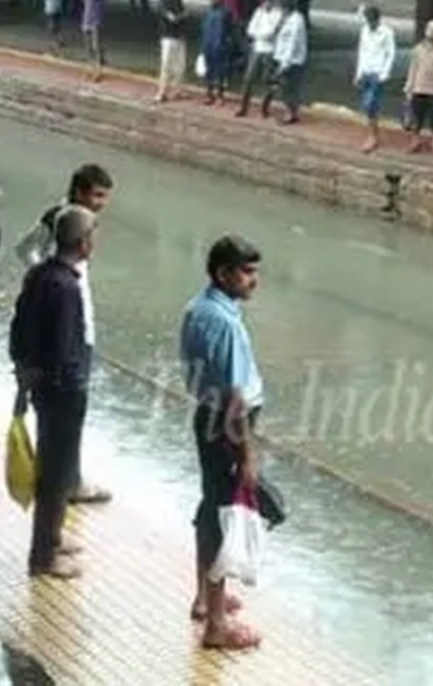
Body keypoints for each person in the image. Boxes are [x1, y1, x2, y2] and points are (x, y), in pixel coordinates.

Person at [181, 235, 266, 652]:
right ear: (222, 273)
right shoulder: (227, 323)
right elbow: (236, 398)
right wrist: (248, 452)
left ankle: (205, 596)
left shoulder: (198, 308)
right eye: (246, 272)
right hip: (228, 425)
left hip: (206, 418)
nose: (255, 281)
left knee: (208, 505)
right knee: (221, 515)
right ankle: (216, 624)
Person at [14, 164, 114, 506]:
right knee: (67, 415)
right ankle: (65, 484)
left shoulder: (81, 229)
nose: (102, 203)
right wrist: (44, 273)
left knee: (63, 419)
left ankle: (63, 479)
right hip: (70, 331)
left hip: (79, 323)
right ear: (80, 191)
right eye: (98, 195)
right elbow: (23, 248)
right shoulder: (60, 219)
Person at [10, 205, 97, 580]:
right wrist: (70, 381)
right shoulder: (67, 287)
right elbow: (64, 349)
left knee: (54, 466)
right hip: (63, 392)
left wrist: (26, 373)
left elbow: (19, 331)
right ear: (82, 242)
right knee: (56, 472)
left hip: (42, 387)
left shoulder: (39, 275)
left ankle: (52, 538)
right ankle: (43, 554)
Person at [403, 18, 433, 154]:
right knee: (417, 116)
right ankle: (415, 141)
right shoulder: (417, 49)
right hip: (419, 87)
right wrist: (408, 87)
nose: (431, 32)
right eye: (429, 29)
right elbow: (413, 68)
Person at [354, 4, 397, 152]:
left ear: (377, 19)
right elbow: (362, 52)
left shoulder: (386, 32)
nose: (369, 23)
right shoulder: (364, 30)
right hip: (366, 71)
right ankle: (373, 133)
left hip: (377, 73)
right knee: (370, 107)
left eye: (371, 20)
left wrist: (385, 73)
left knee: (369, 103)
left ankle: (373, 136)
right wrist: (358, 73)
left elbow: (390, 54)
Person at [238, 0, 283, 118]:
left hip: (269, 50)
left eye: (267, 1)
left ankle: (264, 108)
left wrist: (259, 34)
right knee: (248, 78)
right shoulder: (259, 12)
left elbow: (271, 33)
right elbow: (250, 29)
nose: (265, 4)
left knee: (267, 80)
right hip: (257, 48)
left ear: (272, 1)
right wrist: (260, 34)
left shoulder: (277, 14)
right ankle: (243, 107)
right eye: (263, 1)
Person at [270, 0, 309, 125]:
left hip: (292, 60)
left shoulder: (297, 20)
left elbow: (292, 43)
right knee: (283, 87)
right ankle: (290, 111)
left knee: (289, 88)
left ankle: (291, 114)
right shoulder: (286, 18)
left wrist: (285, 63)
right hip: (282, 57)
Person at [199, 0, 233, 104]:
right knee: (209, 71)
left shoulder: (226, 12)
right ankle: (209, 94)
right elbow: (204, 28)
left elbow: (230, 29)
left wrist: (226, 42)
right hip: (208, 44)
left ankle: (220, 95)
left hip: (220, 45)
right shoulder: (208, 11)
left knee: (220, 72)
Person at [154, 0, 186, 103]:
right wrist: (182, 15)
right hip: (168, 38)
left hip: (178, 37)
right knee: (166, 65)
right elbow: (173, 18)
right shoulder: (162, 4)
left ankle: (176, 90)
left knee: (179, 66)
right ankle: (162, 92)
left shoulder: (176, 3)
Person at [78, 0, 106, 82]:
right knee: (88, 48)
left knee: (96, 47)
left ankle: (98, 71)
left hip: (95, 22)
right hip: (86, 21)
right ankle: (90, 69)